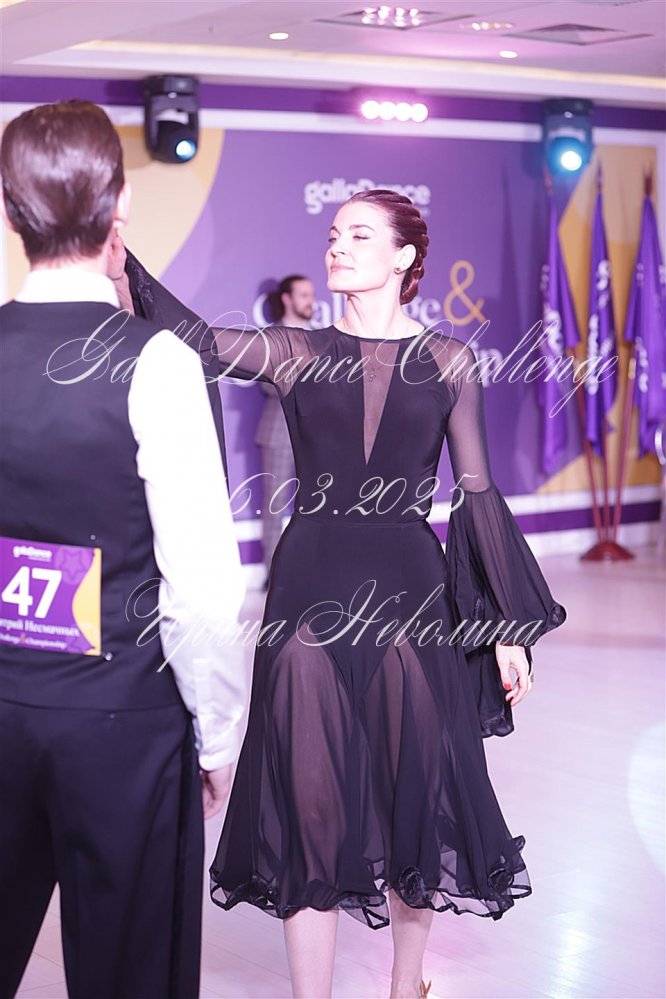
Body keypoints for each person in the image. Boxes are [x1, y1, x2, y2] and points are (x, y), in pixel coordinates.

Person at [126, 189, 567, 999]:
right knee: (310, 809)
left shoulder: (450, 360)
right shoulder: (295, 349)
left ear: (404, 256)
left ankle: (406, 985)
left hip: (412, 595)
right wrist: (113, 250)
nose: (338, 246)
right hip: (309, 591)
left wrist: (506, 625)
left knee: (414, 796)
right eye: (333, 233)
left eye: (359, 234)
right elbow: (197, 340)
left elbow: (474, 491)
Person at [0, 100, 247, 998]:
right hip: (124, 726)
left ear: (10, 209)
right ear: (119, 209)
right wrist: (218, 735)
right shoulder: (157, 361)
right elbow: (202, 589)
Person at [256, 275, 315, 586]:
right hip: (279, 431)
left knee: (315, 506)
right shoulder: (272, 337)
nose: (310, 301)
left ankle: (309, 571)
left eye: (311, 294)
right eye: (303, 294)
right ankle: (275, 574)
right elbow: (268, 385)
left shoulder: (321, 337)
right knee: (274, 505)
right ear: (287, 299)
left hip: (316, 434)